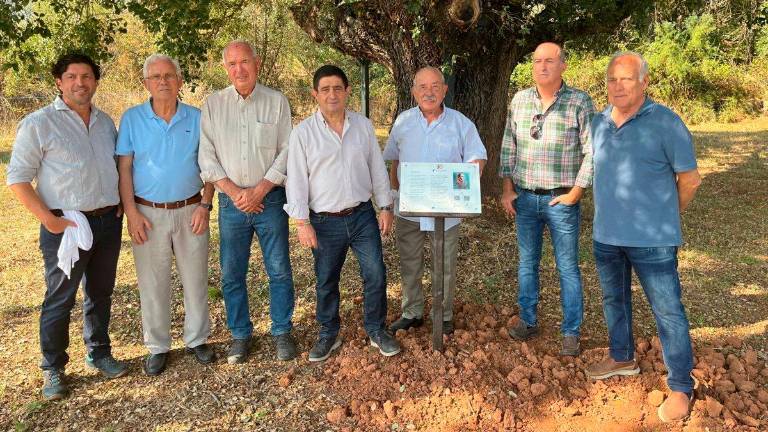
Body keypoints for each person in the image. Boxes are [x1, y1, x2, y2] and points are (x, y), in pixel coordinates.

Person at [585, 51, 701, 423]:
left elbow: (690, 180)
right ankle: (622, 357)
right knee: (613, 301)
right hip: (607, 236)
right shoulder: (599, 122)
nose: (617, 86)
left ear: (644, 83)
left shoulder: (666, 123)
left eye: (626, 79)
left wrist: (666, 214)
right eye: (612, 80)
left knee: (668, 311)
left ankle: (681, 385)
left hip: (653, 239)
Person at [6, 53, 128, 400]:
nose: (80, 83)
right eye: (72, 76)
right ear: (59, 82)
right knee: (60, 298)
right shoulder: (38, 123)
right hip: (67, 223)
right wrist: (49, 220)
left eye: (87, 76)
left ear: (95, 81)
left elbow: (116, 166)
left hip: (108, 221)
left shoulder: (105, 122)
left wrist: (119, 201)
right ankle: (53, 369)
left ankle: (99, 352)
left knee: (101, 293)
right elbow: (17, 179)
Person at [285, 65, 400, 361]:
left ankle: (376, 329)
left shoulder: (362, 126)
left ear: (348, 91)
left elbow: (377, 167)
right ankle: (328, 334)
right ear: (315, 94)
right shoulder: (303, 134)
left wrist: (385, 206)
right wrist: (301, 222)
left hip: (362, 216)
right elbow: (296, 179)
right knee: (326, 280)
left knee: (375, 273)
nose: (332, 94)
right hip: (323, 222)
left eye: (338, 88)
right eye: (325, 89)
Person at [198, 40, 296, 363]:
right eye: (232, 64)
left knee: (279, 269)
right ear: (225, 68)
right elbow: (207, 157)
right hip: (230, 204)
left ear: (257, 63)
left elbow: (287, 151)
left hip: (269, 200)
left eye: (244, 62)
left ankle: (281, 331)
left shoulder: (277, 102)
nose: (239, 69)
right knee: (231, 273)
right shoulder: (212, 105)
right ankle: (240, 335)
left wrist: (260, 189)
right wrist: (234, 191)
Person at [116, 54, 215, 376]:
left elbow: (211, 167)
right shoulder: (131, 119)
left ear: (180, 81)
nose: (162, 81)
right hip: (147, 213)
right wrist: (131, 213)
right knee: (152, 282)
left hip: (191, 210)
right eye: (155, 77)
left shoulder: (198, 118)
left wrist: (205, 204)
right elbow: (125, 167)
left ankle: (197, 338)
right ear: (146, 83)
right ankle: (157, 346)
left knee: (195, 278)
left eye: (169, 76)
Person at [499, 42, 595, 356]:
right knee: (527, 264)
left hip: (561, 201)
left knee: (567, 267)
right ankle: (528, 320)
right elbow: (508, 145)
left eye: (550, 61)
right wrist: (507, 189)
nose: (542, 66)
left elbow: (592, 152)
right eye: (537, 61)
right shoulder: (520, 100)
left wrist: (576, 193)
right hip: (526, 199)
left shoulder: (579, 102)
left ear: (563, 66)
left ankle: (571, 332)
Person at [384, 66, 487, 336]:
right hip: (410, 211)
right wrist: (394, 195)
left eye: (435, 86)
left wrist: (463, 192)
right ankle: (412, 312)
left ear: (444, 89)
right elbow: (395, 161)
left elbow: (477, 159)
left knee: (446, 265)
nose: (429, 92)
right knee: (410, 263)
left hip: (447, 212)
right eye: (422, 87)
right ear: (413, 91)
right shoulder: (402, 122)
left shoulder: (461, 123)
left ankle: (444, 314)